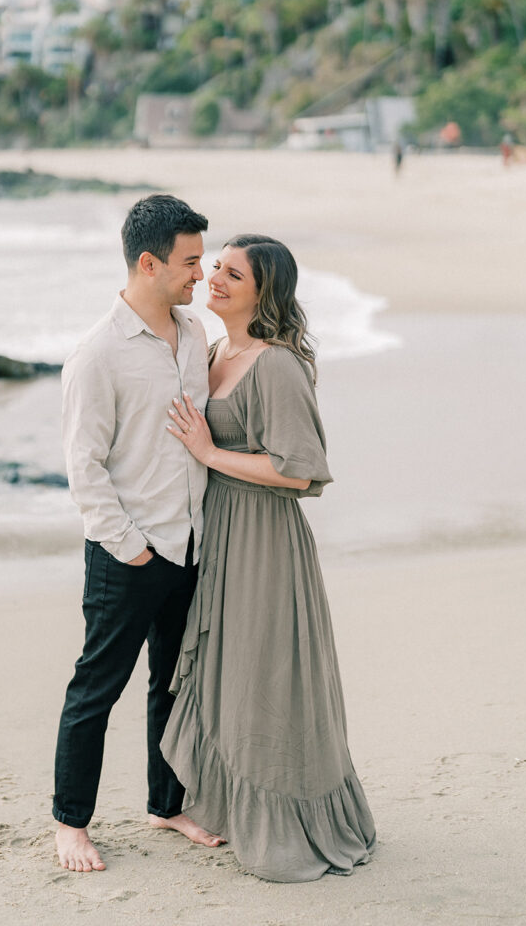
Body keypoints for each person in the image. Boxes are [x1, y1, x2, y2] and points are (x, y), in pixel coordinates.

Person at [161, 234, 376, 883]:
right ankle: (230, 806)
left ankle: (288, 822)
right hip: (222, 533)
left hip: (263, 541)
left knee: (264, 678)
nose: (215, 280)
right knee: (231, 672)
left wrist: (208, 453)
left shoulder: (275, 365)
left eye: (233, 273)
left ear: (264, 292)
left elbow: (299, 469)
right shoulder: (221, 348)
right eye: (214, 267)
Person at [53, 194, 226, 872]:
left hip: (188, 546)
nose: (199, 274)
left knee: (171, 686)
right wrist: (131, 547)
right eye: (189, 263)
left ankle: (166, 803)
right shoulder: (97, 354)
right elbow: (82, 466)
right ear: (148, 264)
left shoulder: (193, 337)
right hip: (128, 554)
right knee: (96, 689)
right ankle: (70, 823)